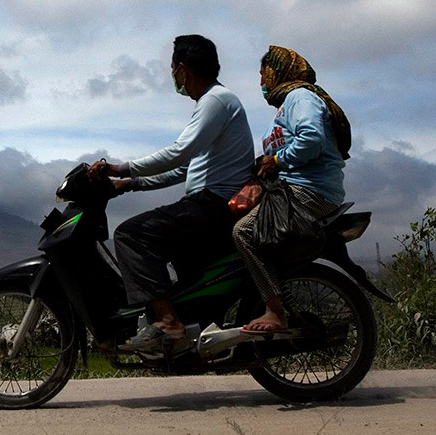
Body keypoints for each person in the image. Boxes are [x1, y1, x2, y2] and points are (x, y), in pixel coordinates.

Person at [90, 35, 254, 351]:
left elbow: (179, 153)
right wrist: (133, 183)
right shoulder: (215, 103)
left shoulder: (215, 101)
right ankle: (192, 336)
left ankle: (167, 323)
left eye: (172, 68)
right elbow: (185, 169)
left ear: (182, 69)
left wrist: (120, 169)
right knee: (182, 271)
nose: (173, 76)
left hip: (213, 205)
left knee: (131, 235)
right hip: (208, 203)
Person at [233, 45, 350, 334]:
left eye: (264, 73)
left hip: (312, 191)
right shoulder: (286, 106)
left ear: (280, 71)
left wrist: (277, 159)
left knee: (244, 232)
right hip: (291, 189)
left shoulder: (301, 97)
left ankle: (275, 311)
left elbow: (311, 139)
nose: (261, 82)